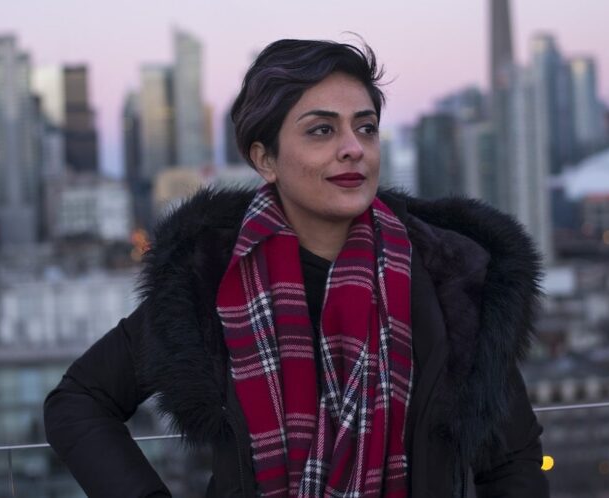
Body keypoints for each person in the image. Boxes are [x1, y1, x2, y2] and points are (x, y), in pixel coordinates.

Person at [44, 38, 549, 498]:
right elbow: (79, 400)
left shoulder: (450, 276)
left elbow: (513, 458)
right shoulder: (211, 284)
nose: (353, 146)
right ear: (265, 159)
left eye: (366, 127)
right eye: (322, 129)